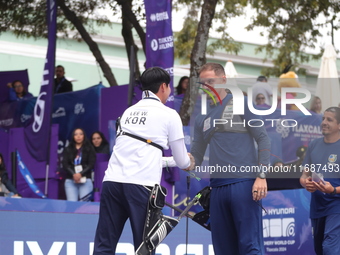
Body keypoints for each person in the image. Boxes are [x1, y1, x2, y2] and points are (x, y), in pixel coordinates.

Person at [93, 67, 195, 254]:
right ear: (163, 86)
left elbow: (144, 155)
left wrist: (171, 161)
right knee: (144, 248)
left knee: (104, 245)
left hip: (112, 183)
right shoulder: (169, 114)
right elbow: (182, 161)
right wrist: (188, 163)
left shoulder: (127, 112)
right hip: (141, 186)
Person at [191, 63, 271, 255]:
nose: (207, 86)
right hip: (217, 189)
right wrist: (180, 158)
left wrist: (261, 176)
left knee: (249, 247)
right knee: (223, 250)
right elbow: (196, 157)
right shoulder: (201, 117)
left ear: (223, 79)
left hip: (243, 185)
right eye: (203, 83)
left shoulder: (240, 103)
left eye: (211, 81)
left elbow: (263, 138)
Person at [300, 107, 340, 255]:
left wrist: (334, 190)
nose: (324, 122)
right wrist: (306, 183)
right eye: (323, 118)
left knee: (330, 249)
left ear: (339, 125)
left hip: (337, 206)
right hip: (317, 207)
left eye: (329, 119)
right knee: (320, 250)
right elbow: (304, 175)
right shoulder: (313, 145)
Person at [62, 128, 96, 201]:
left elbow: (91, 164)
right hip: (71, 180)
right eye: (76, 134)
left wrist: (80, 174)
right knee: (71, 205)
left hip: (85, 179)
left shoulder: (89, 148)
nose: (78, 136)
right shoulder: (68, 149)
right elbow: (65, 164)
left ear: (84, 136)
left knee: (84, 206)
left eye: (81, 134)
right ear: (73, 136)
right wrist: (74, 174)